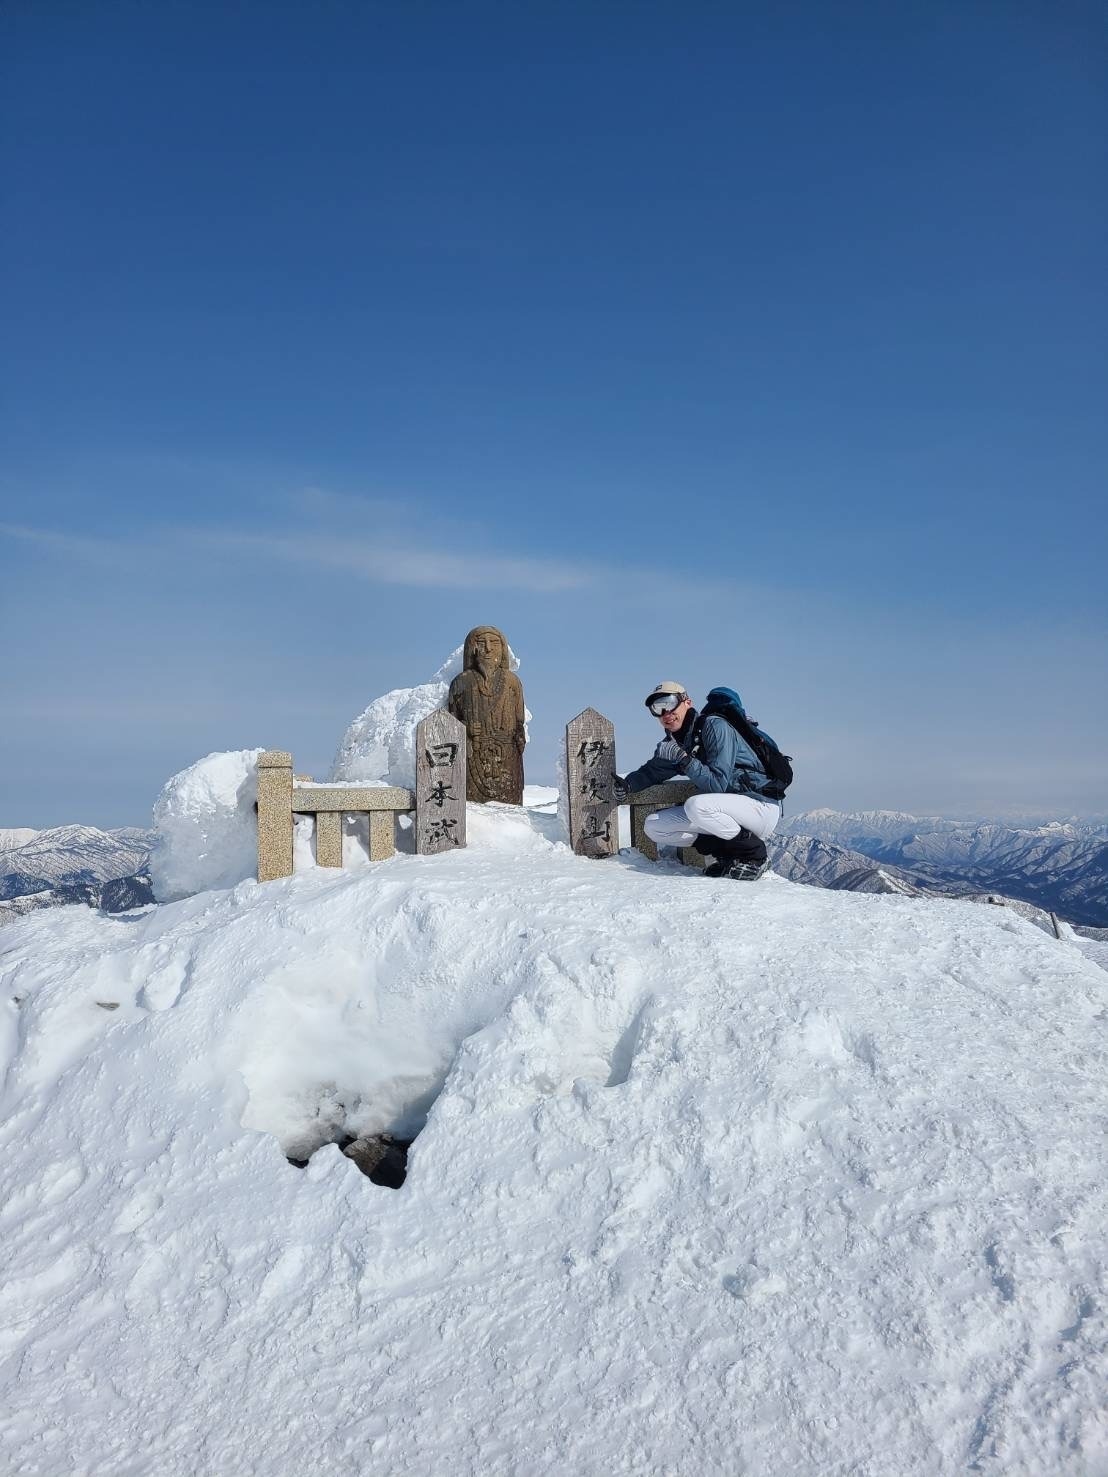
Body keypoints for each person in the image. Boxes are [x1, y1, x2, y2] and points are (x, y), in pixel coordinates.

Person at [613, 681, 780, 880]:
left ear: (687, 702)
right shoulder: (680, 742)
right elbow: (652, 772)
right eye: (657, 708)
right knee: (654, 826)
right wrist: (629, 784)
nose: (665, 712)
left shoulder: (715, 727)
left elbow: (718, 784)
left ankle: (755, 855)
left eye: (669, 702)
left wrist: (684, 759)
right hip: (723, 814)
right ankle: (728, 857)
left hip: (759, 806)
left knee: (696, 805)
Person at [447, 625, 527, 804]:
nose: (489, 648)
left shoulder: (512, 682)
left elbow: (519, 720)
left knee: (510, 807)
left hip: (506, 756)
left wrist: (518, 736)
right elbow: (450, 724)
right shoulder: (462, 682)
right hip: (474, 755)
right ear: (473, 649)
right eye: (482, 643)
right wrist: (465, 729)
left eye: (495, 643)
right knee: (474, 806)